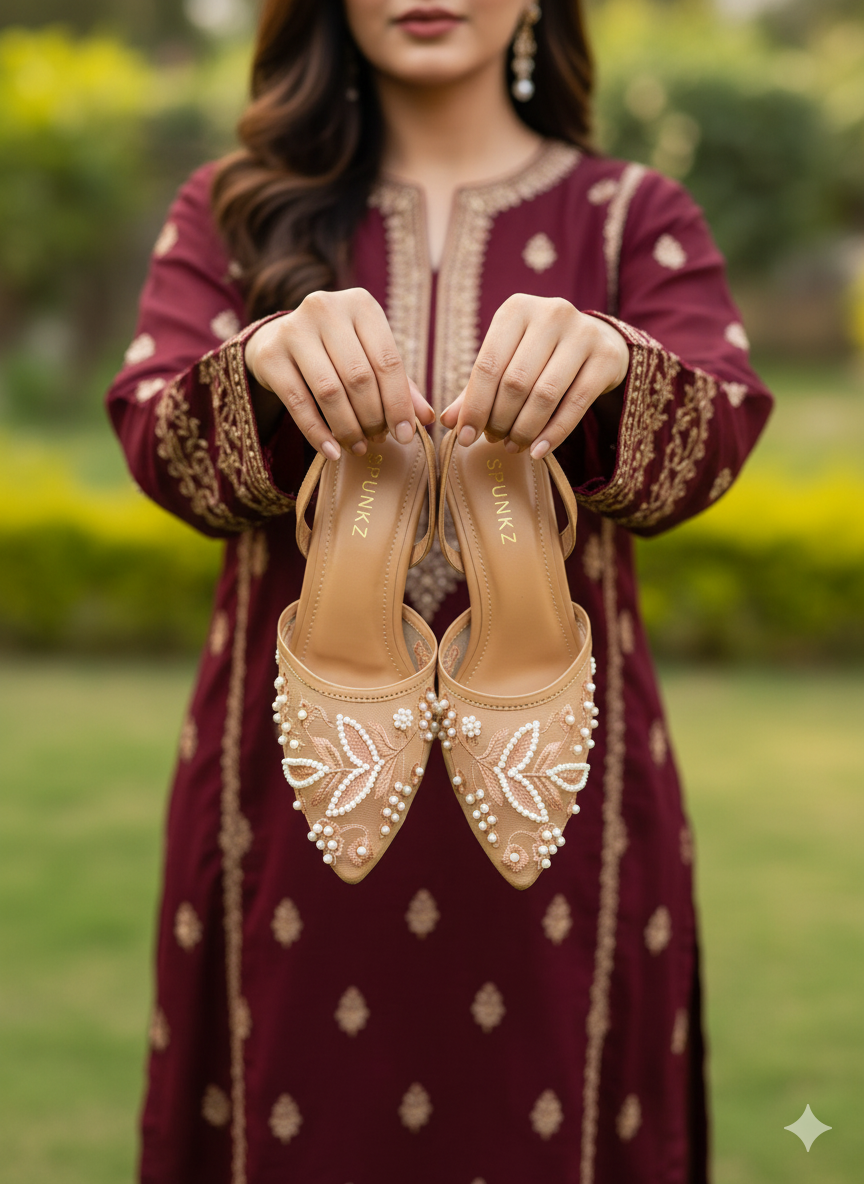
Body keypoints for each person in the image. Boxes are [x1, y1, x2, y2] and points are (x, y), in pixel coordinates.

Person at [106, 1, 773, 1181]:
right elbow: (162, 445)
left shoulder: (633, 217)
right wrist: (259, 366)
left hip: (570, 809)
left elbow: (712, 443)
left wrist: (616, 363)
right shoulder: (231, 209)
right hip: (286, 795)